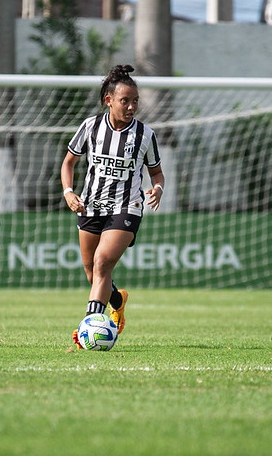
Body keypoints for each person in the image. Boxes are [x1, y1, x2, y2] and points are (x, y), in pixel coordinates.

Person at [61, 64, 165, 349]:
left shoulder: (145, 135)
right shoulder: (90, 127)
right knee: (91, 272)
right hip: (90, 206)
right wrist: (69, 192)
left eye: (135, 101)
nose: (131, 106)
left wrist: (157, 188)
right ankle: (117, 301)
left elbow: (157, 173)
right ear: (109, 100)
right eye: (125, 101)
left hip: (127, 207)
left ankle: (90, 327)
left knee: (102, 263)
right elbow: (68, 162)